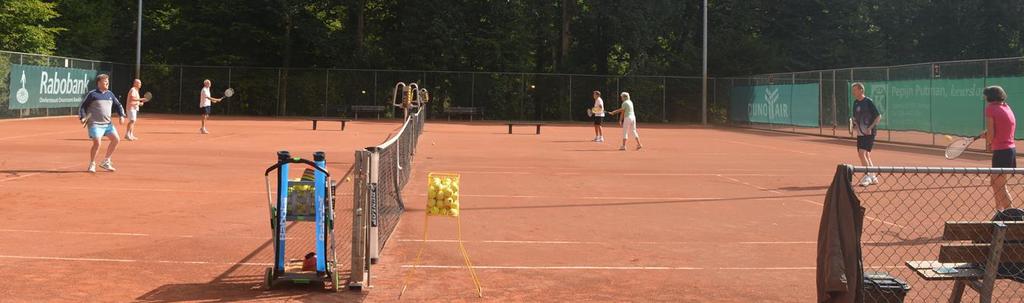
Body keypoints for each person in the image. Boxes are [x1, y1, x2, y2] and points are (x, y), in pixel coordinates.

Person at [978, 85, 1016, 210]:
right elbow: (1000, 127)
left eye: (986, 95)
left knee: (999, 185)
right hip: (1010, 151)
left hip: (1002, 151)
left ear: (990, 97)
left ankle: (1011, 216)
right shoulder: (1006, 107)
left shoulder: (991, 109)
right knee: (995, 183)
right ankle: (999, 212)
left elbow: (991, 134)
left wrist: (988, 140)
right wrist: (988, 135)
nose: (985, 98)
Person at [78, 74, 125, 173]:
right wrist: (82, 117)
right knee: (97, 143)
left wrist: (121, 115)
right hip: (95, 124)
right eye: (105, 81)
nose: (107, 83)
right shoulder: (92, 94)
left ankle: (106, 161)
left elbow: (118, 105)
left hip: (108, 124)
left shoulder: (110, 94)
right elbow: (83, 106)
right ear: (99, 83)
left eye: (108, 81)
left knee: (116, 139)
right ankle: (92, 164)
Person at [850, 82, 881, 186]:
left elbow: (878, 117)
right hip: (860, 132)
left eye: (855, 90)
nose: (853, 92)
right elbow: (855, 117)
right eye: (853, 90)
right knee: (866, 154)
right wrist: (854, 122)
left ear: (861, 90)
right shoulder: (855, 103)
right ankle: (873, 177)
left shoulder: (868, 102)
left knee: (861, 153)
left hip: (869, 132)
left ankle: (867, 176)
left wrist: (870, 128)